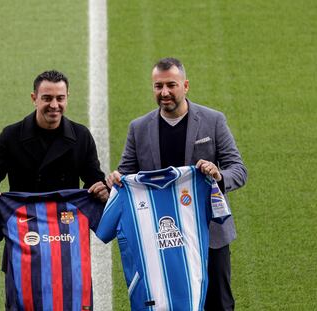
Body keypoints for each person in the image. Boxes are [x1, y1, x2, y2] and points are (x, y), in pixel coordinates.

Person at [106, 57, 247, 311]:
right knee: (169, 302)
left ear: (186, 85)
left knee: (219, 303)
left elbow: (238, 170)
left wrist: (218, 175)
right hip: (163, 237)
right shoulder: (138, 128)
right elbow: (125, 175)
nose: (165, 92)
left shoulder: (213, 121)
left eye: (171, 85)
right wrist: (114, 179)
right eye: (158, 86)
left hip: (209, 234)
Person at [0, 70, 109, 309]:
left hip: (67, 245)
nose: (54, 105)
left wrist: (102, 190)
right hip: (24, 244)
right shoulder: (11, 135)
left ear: (67, 98)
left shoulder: (81, 136)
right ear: (34, 98)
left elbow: (94, 180)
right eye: (47, 98)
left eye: (60, 98)